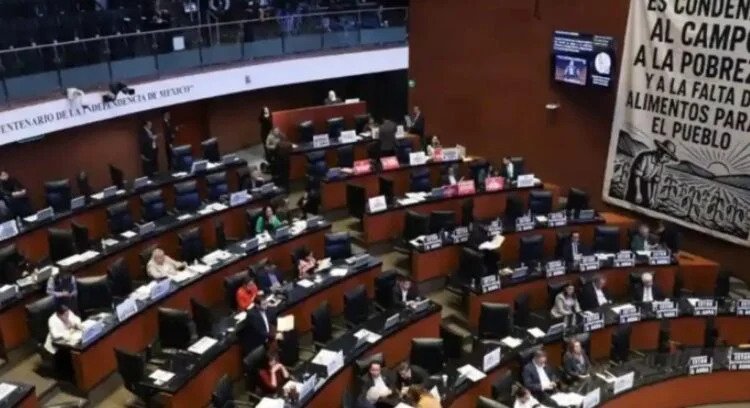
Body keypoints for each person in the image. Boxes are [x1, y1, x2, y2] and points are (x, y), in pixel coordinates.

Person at [626, 139, 678, 208]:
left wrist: (652, 197)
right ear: (659, 151)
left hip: (647, 183)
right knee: (632, 200)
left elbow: (655, 181)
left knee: (647, 203)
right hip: (635, 182)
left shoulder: (660, 164)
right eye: (666, 156)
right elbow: (637, 176)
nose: (667, 160)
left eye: (668, 158)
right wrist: (638, 192)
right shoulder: (645, 157)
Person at [45, 302, 82, 378]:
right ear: (59, 315)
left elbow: (76, 319)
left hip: (70, 338)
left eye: (68, 313)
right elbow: (55, 335)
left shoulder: (68, 312)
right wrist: (67, 333)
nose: (68, 316)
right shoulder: (52, 320)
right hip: (57, 344)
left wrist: (77, 324)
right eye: (65, 315)